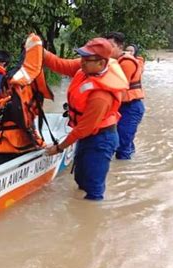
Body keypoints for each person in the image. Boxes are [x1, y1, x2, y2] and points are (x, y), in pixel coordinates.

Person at [43, 37, 128, 200]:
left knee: (93, 189)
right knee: (80, 178)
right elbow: (61, 65)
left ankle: (91, 221)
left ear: (102, 64)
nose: (81, 62)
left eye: (87, 59)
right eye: (81, 57)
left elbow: (84, 128)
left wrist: (59, 148)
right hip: (87, 136)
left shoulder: (101, 96)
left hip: (101, 139)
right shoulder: (87, 67)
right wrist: (41, 52)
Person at [105, 32, 145, 160]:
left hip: (131, 107)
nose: (107, 49)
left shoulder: (126, 63)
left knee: (122, 146)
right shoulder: (113, 62)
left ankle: (124, 173)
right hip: (123, 106)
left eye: (111, 46)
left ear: (120, 47)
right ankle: (127, 165)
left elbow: (119, 88)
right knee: (123, 141)